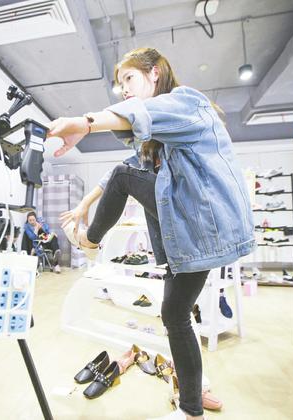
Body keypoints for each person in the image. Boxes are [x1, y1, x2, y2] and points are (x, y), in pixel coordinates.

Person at [49, 47, 254, 420]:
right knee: (175, 315)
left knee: (127, 179)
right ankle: (192, 402)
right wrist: (83, 205)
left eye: (129, 78)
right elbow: (120, 170)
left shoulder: (185, 101)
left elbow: (135, 124)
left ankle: (89, 243)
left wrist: (84, 122)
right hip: (188, 237)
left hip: (199, 226)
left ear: (154, 72)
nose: (124, 89)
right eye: (120, 84)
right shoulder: (158, 138)